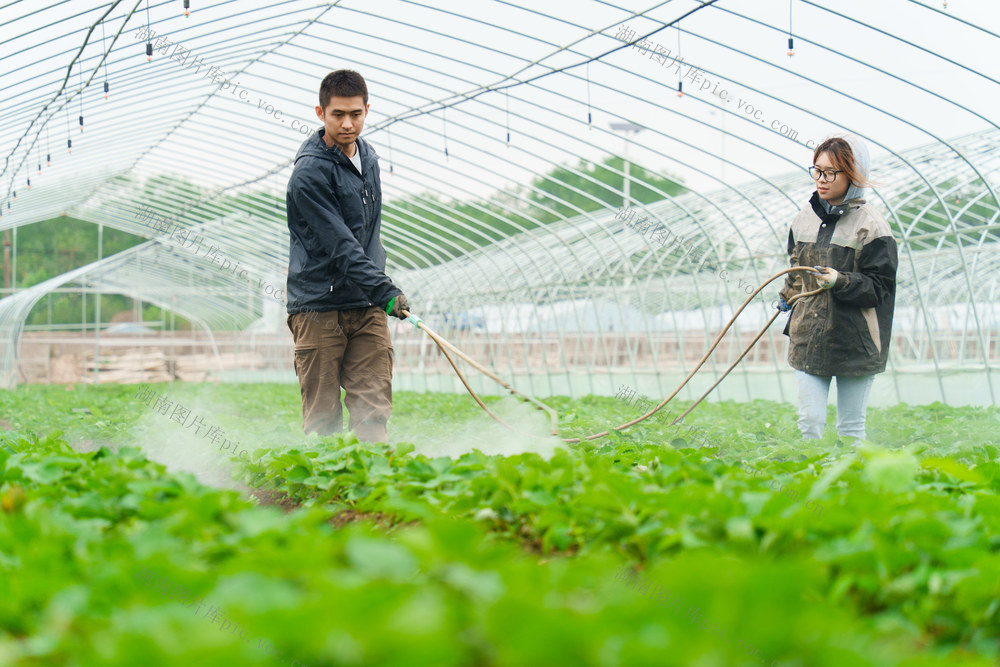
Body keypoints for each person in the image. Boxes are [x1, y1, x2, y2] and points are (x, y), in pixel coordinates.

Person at [285, 69, 410, 442]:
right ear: (321, 113)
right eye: (338, 114)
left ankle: (373, 490)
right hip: (318, 307)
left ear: (367, 110)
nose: (347, 123)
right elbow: (340, 245)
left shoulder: (368, 157)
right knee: (323, 418)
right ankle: (327, 492)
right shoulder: (308, 174)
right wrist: (386, 290)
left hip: (366, 303)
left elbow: (368, 234)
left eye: (355, 113)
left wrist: (377, 290)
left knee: (373, 409)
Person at [776, 135, 897, 441]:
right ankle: (809, 483)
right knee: (810, 423)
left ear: (853, 173)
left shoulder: (872, 226)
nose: (821, 179)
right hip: (808, 337)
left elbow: (880, 287)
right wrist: (787, 296)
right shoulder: (802, 220)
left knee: (851, 427)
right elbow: (796, 269)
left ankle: (849, 486)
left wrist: (839, 281)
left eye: (831, 172)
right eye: (817, 170)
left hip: (853, 341)